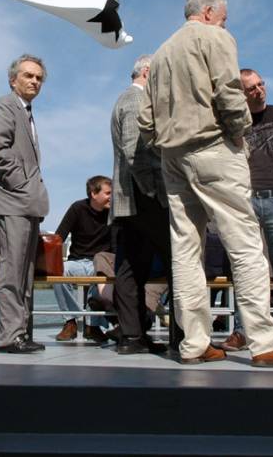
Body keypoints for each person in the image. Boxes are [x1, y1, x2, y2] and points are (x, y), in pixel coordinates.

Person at [137, 0, 273, 368]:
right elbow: (229, 91)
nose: (226, 22)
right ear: (208, 11)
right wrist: (239, 134)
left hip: (173, 156)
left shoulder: (162, 52)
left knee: (185, 249)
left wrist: (163, 145)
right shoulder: (215, 37)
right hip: (213, 147)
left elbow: (145, 117)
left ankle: (194, 343)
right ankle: (265, 342)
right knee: (246, 243)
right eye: (224, 15)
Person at [217, 69, 273, 354]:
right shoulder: (232, 121)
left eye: (261, 84)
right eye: (251, 88)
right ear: (241, 94)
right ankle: (242, 332)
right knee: (245, 270)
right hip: (242, 200)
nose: (258, 90)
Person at [0, 54, 50, 353]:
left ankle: (22, 332)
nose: (34, 81)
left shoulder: (28, 113)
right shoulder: (5, 105)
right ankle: (10, 336)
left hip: (29, 203)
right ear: (14, 80)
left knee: (25, 274)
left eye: (38, 77)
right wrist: (23, 185)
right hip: (13, 200)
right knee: (12, 271)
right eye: (28, 76)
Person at [110, 55, 171, 355]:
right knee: (177, 261)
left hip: (129, 202)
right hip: (143, 197)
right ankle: (183, 336)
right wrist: (155, 193)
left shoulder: (125, 99)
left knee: (130, 268)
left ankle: (132, 337)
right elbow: (137, 154)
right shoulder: (135, 100)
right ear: (148, 72)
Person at [52, 175, 114, 343]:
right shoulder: (77, 209)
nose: (112, 197)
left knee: (102, 273)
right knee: (59, 271)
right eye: (108, 193)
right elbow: (59, 237)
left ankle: (92, 326)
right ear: (94, 194)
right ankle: (70, 321)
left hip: (100, 262)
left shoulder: (114, 214)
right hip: (77, 261)